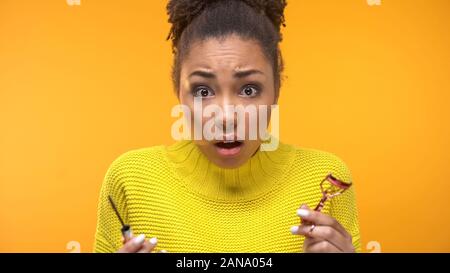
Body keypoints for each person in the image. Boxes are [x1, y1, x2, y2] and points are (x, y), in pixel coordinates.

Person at [94, 0, 360, 253]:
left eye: (248, 89)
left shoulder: (324, 177)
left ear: (276, 90)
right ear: (178, 91)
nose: (226, 116)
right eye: (202, 90)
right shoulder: (129, 179)